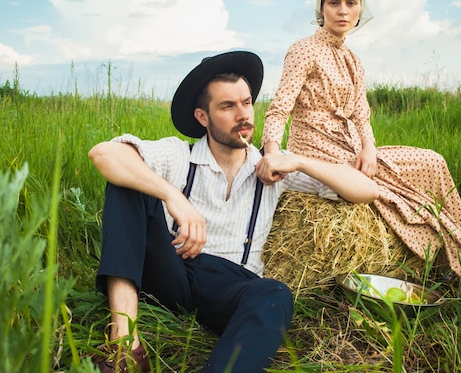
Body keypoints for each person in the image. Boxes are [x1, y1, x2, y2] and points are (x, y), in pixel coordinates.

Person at [88, 50, 379, 373]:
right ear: (203, 117)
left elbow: (367, 190)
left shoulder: (273, 168)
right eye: (227, 106)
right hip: (169, 269)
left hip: (228, 284)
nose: (243, 115)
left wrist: (299, 161)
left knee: (275, 294)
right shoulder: (178, 154)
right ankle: (125, 345)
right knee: (128, 182)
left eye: (246, 102)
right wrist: (172, 196)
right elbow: (104, 154)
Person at [259, 0, 461, 286]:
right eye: (334, 2)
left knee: (432, 161)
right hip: (317, 149)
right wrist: (272, 154)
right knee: (395, 191)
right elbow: (279, 107)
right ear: (321, 8)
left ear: (360, 9)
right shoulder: (304, 49)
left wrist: (369, 149)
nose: (342, 11)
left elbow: (362, 116)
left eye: (351, 3)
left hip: (352, 146)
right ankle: (447, 264)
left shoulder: (353, 59)